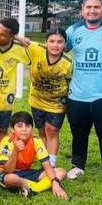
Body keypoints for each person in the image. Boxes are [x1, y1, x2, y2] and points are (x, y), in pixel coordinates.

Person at [64, 0, 102, 180]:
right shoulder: (73, 31)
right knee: (79, 132)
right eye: (89, 7)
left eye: (96, 7)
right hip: (78, 94)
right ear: (83, 10)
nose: (92, 10)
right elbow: (59, 49)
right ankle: (78, 165)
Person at [0, 112, 68, 199]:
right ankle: (40, 185)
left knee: (61, 172)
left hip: (26, 172)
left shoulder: (36, 140)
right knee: (11, 179)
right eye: (20, 126)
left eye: (28, 126)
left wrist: (55, 182)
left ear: (32, 129)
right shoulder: (7, 141)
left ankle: (31, 190)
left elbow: (47, 165)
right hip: (6, 172)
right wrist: (15, 152)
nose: (24, 129)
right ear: (12, 129)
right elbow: (8, 170)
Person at [0, 18, 31, 146]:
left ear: (11, 37)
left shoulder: (18, 49)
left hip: (5, 99)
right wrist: (17, 37)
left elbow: (33, 53)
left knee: (2, 130)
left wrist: (19, 40)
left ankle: (0, 156)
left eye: (3, 35)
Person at [27, 28, 72, 168]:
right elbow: (24, 41)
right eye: (52, 41)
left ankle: (51, 165)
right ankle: (44, 162)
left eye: (60, 42)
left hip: (57, 103)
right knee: (41, 131)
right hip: (37, 100)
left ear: (65, 44)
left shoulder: (68, 63)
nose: (55, 45)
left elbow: (70, 85)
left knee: (52, 130)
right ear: (45, 42)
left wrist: (70, 106)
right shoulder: (36, 50)